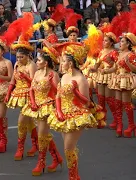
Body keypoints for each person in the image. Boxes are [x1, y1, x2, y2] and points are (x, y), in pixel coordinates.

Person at [47, 42, 98, 179]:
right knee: (68, 148)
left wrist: (76, 92)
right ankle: (74, 176)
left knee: (68, 149)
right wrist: (58, 111)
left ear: (70, 63)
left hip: (77, 115)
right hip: (63, 114)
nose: (60, 63)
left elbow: (87, 102)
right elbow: (58, 95)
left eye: (63, 61)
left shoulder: (81, 79)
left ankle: (73, 177)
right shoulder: (64, 77)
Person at [21, 45, 63, 175]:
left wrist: (53, 83)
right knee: (43, 134)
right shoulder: (38, 73)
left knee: (41, 135)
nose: (36, 62)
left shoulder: (53, 74)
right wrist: (32, 103)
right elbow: (31, 89)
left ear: (46, 63)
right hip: (36, 105)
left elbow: (59, 92)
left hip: (47, 105)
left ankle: (41, 162)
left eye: (39, 60)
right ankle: (56, 158)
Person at [5, 13, 38, 160]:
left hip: (29, 95)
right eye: (17, 57)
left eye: (21, 57)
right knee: (29, 122)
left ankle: (20, 148)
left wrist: (26, 77)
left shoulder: (32, 65)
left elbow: (34, 83)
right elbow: (12, 79)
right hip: (19, 94)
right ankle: (36, 144)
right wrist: (8, 92)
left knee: (21, 122)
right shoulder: (17, 64)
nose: (18, 59)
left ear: (28, 56)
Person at [107, 33, 136, 138]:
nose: (120, 43)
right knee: (117, 103)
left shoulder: (131, 55)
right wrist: (105, 71)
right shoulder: (118, 54)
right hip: (118, 79)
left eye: (122, 41)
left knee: (126, 104)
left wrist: (128, 62)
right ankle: (120, 125)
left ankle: (132, 125)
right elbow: (115, 68)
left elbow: (135, 69)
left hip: (127, 79)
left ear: (128, 44)